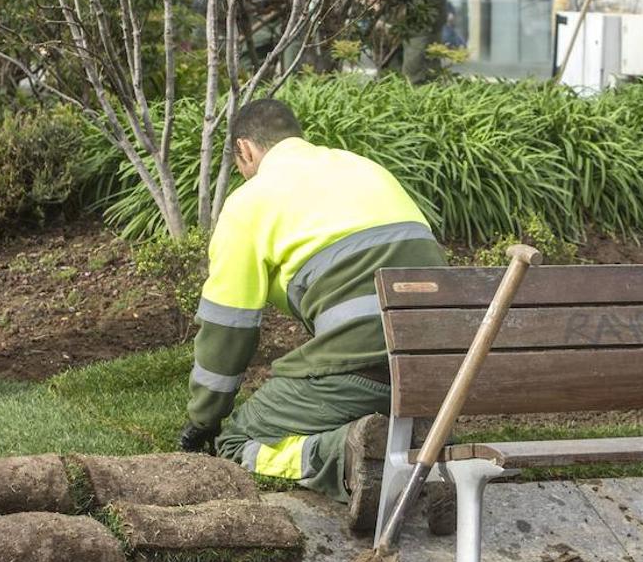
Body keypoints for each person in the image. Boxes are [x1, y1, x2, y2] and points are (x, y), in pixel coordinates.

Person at [178, 99, 447, 532]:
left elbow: (228, 330)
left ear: (245, 150)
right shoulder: (365, 169)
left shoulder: (250, 203)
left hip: (363, 364)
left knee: (238, 439)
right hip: (438, 367)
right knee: (357, 389)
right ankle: (419, 453)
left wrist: (203, 420)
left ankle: (348, 458)